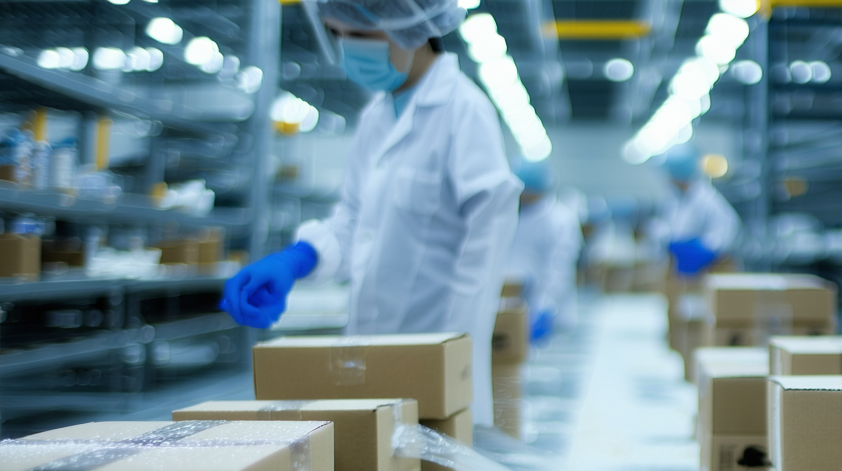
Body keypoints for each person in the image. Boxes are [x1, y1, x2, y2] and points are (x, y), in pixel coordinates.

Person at [220, 0, 520, 425]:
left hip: (434, 358)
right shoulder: (375, 117)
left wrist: (451, 353)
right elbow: (353, 220)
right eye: (338, 35)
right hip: (369, 354)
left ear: (411, 29)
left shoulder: (464, 112)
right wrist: (295, 261)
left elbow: (486, 242)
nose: (348, 48)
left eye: (360, 36)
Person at [507, 160, 584, 341]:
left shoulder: (559, 219)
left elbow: (559, 268)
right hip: (517, 307)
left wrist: (545, 307)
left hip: (550, 312)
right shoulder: (516, 214)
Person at [656, 143, 740, 275]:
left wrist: (698, 248)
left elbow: (726, 234)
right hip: (684, 272)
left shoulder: (707, 200)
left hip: (707, 269)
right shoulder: (677, 200)